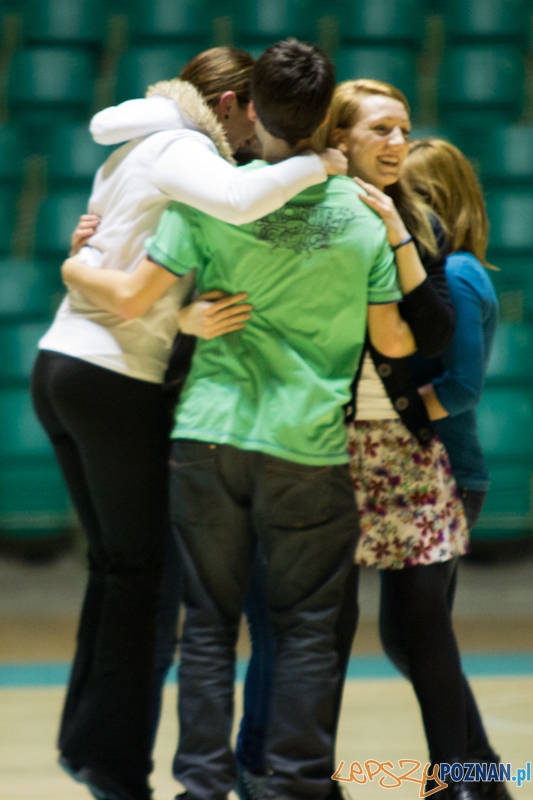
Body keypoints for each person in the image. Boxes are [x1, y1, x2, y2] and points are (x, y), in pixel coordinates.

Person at [60, 38, 433, 800]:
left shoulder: (208, 202)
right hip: (308, 446)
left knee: (205, 627)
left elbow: (138, 295)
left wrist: (73, 265)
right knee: (301, 630)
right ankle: (292, 783)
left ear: (251, 109)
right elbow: (395, 340)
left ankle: (201, 784)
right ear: (328, 121)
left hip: (209, 435)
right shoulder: (361, 216)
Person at [234, 79, 485, 800]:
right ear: (336, 138)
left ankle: (457, 780)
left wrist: (398, 234)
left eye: (403, 129)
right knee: (326, 629)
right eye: (379, 130)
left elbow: (433, 331)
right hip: (325, 446)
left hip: (401, 445)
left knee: (425, 627)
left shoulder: (414, 217)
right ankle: (314, 779)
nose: (397, 144)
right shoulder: (305, 210)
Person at [383, 138, 509, 800]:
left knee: (416, 634)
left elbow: (459, 386)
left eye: (411, 194)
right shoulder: (450, 270)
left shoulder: (456, 273)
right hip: (434, 474)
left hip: (448, 474)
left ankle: (467, 776)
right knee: (408, 638)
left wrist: (392, 413)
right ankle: (479, 774)